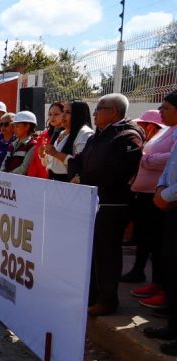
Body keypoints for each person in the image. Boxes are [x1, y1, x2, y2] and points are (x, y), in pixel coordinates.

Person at [68, 93, 144, 317]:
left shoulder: (128, 137)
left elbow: (116, 172)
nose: (94, 112)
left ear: (113, 112)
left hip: (112, 205)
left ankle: (107, 300)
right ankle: (91, 296)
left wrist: (84, 178)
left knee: (107, 253)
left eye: (99, 108)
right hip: (92, 202)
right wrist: (78, 175)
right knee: (92, 252)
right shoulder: (97, 136)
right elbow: (76, 160)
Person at [124, 108, 175, 308]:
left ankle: (163, 288)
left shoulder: (169, 134)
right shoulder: (165, 133)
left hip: (160, 198)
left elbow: (168, 160)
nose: (141, 128)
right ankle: (150, 279)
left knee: (159, 244)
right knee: (145, 238)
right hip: (147, 194)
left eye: (144, 125)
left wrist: (144, 159)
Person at [142, 90, 177, 355]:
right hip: (167, 202)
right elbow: (169, 170)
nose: (161, 112)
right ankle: (172, 324)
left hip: (171, 201)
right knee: (167, 260)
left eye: (166, 107)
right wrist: (162, 189)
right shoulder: (173, 134)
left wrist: (165, 194)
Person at [42, 101, 93, 181]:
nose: (63, 115)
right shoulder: (62, 132)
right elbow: (52, 163)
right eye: (63, 111)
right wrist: (43, 155)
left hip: (69, 182)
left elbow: (80, 163)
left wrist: (56, 153)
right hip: (53, 180)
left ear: (78, 115)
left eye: (68, 112)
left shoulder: (85, 133)